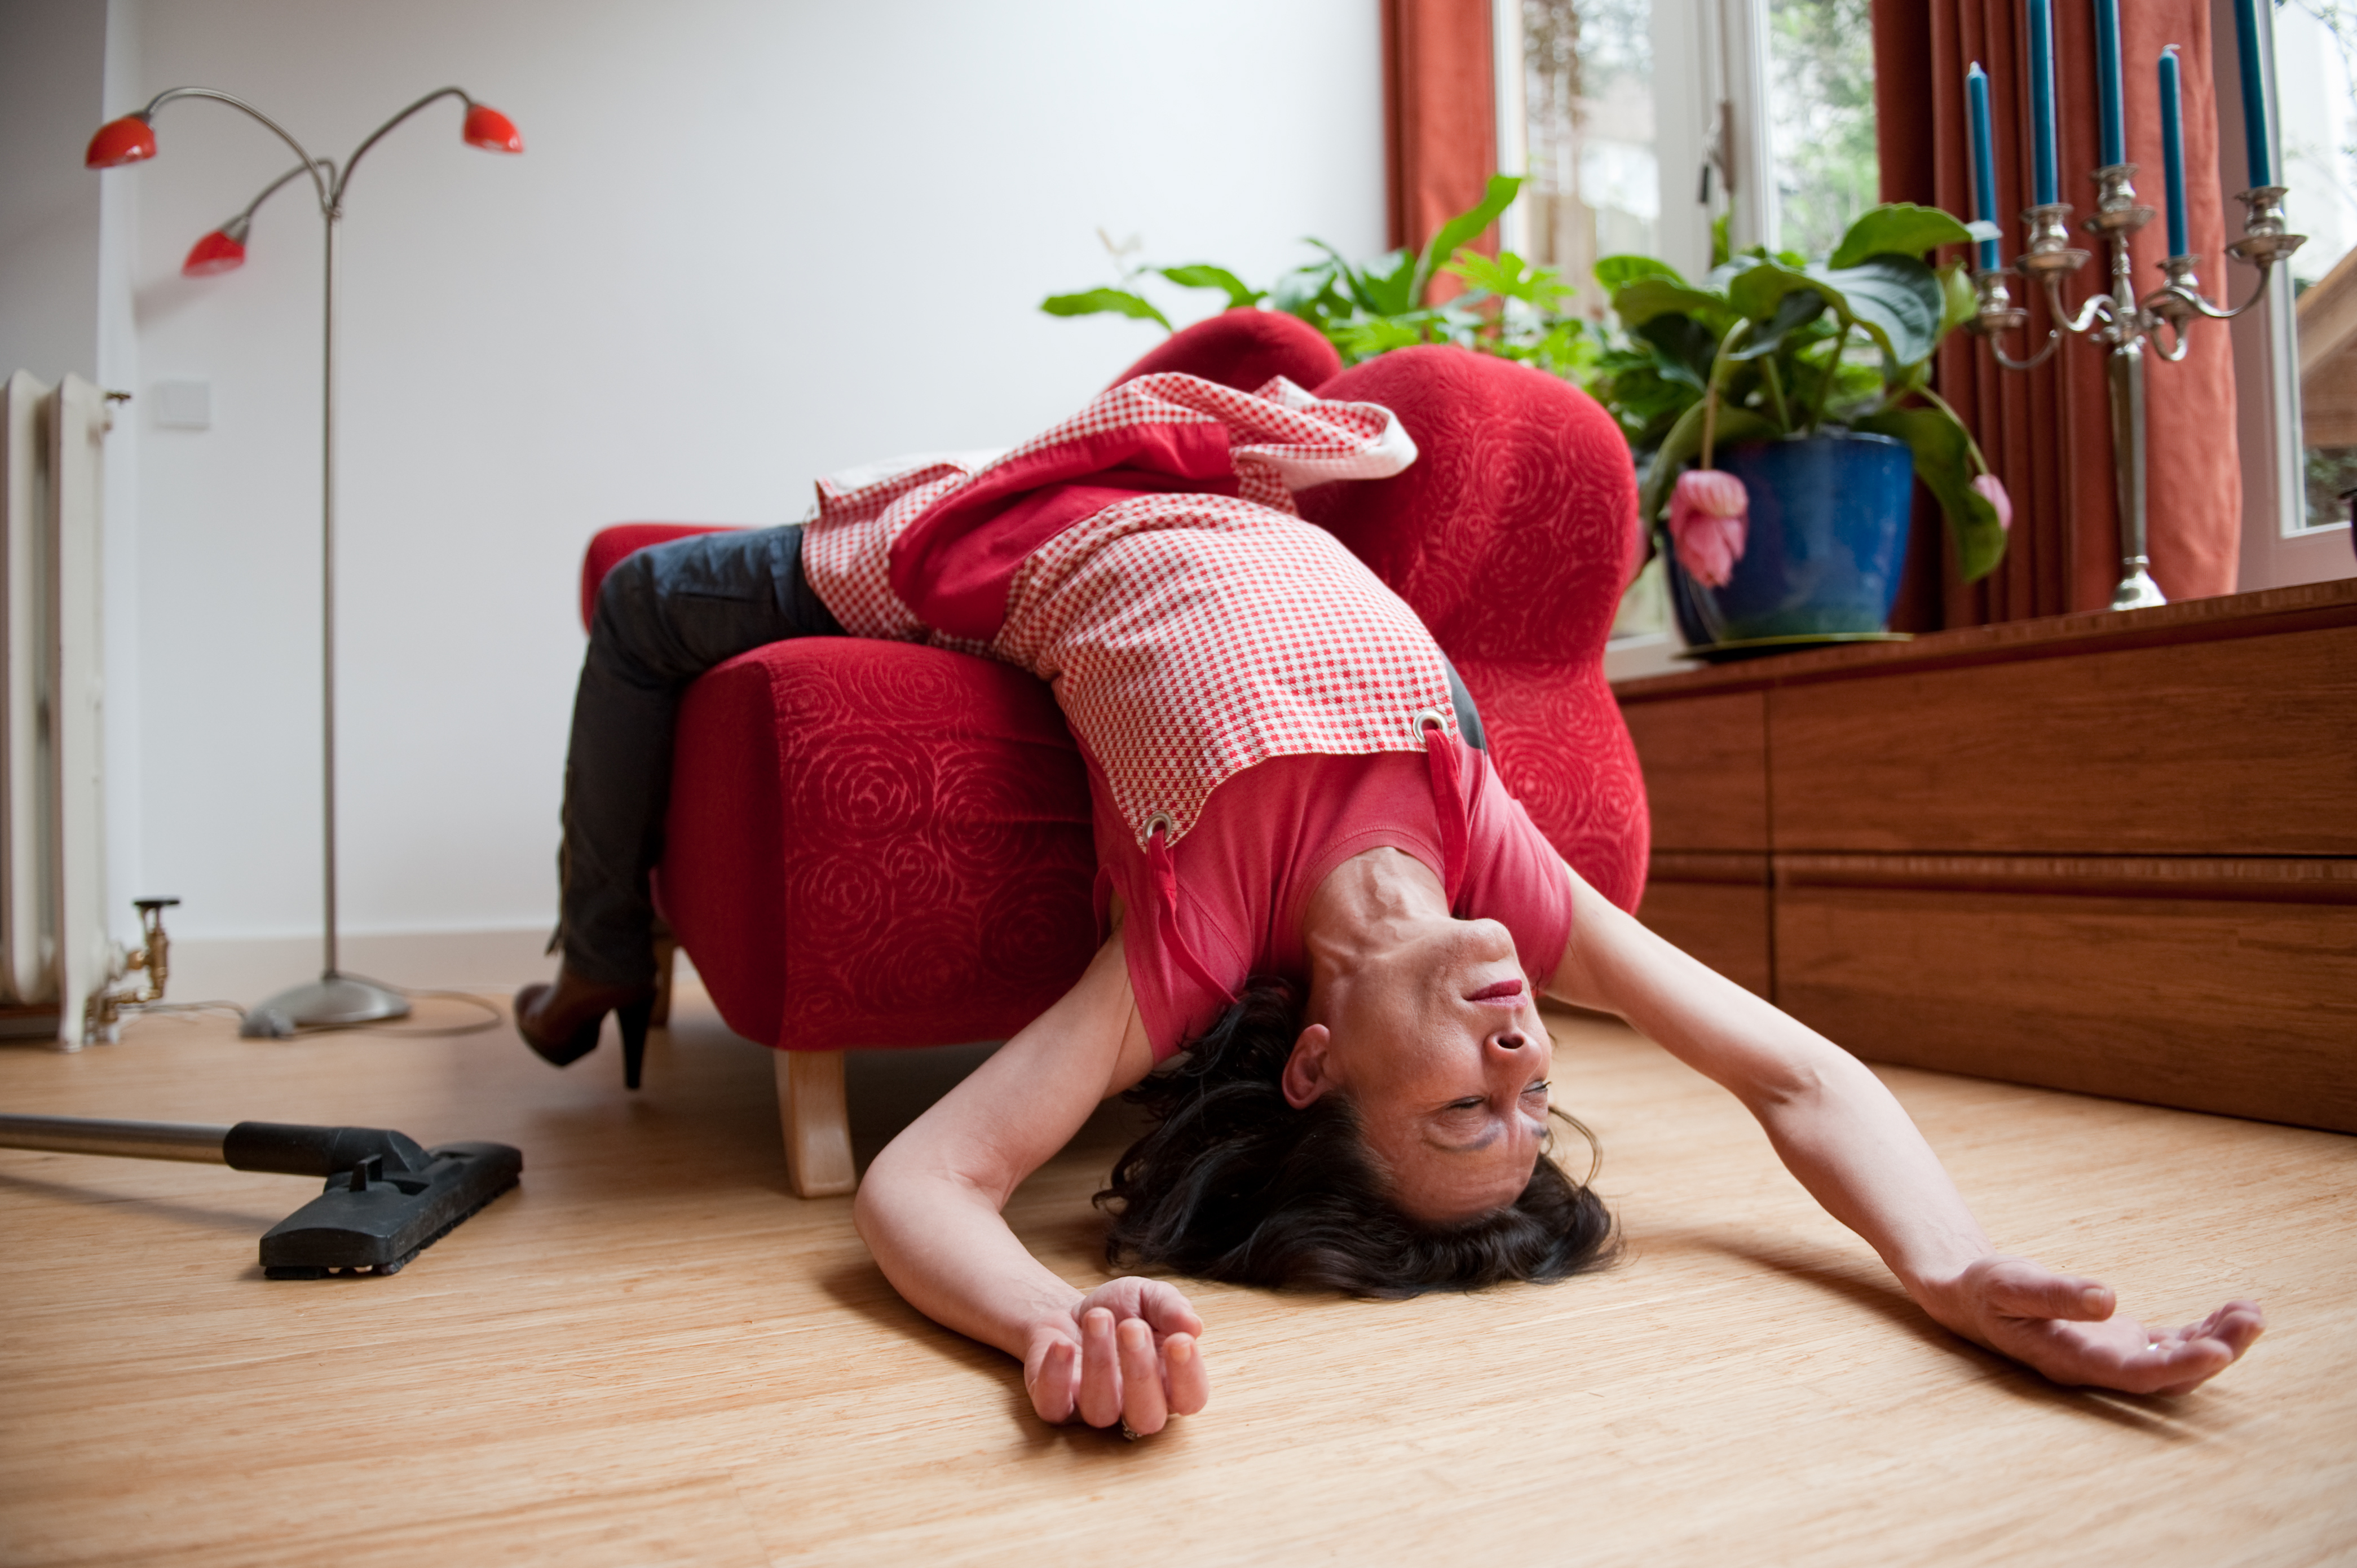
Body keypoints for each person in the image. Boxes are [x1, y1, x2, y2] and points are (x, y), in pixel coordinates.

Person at [518, 320, 2265, 1439]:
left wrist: (1053, 1320)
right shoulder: (1507, 873)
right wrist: (1952, 1270)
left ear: (1312, 1062)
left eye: (1461, 1117)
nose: (1526, 1063)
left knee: (644, 607)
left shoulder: (1197, 943)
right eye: (1533, 1099)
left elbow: (924, 1182)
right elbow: (1792, 1071)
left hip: (1011, 539)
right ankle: (609, 946)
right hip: (1211, 480)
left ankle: (594, 957)